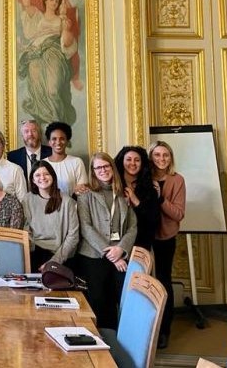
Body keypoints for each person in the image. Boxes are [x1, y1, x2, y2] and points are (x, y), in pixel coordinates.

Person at [76, 152, 137, 330]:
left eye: (106, 166)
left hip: (120, 253)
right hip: (94, 256)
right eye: (98, 168)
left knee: (120, 300)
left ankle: (118, 343)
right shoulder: (85, 194)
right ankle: (101, 344)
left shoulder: (123, 192)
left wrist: (121, 249)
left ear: (112, 167)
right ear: (93, 171)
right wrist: (111, 253)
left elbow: (133, 226)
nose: (103, 170)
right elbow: (86, 227)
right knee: (99, 302)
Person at [17, 0, 78, 127]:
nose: (54, 3)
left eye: (56, 1)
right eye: (52, 0)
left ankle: (59, 127)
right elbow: (26, 5)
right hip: (35, 53)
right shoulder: (38, 16)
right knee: (37, 90)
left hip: (53, 50)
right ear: (45, 1)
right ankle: (48, 126)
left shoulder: (61, 20)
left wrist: (67, 29)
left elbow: (67, 42)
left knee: (53, 90)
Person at [149, 140, 186, 350]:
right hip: (144, 236)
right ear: (151, 157)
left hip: (166, 236)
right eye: (157, 155)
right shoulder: (144, 178)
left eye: (166, 155)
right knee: (142, 282)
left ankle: (164, 331)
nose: (162, 159)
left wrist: (160, 198)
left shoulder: (177, 180)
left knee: (163, 281)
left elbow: (179, 214)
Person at [22, 161, 79, 271]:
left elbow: (73, 236)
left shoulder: (68, 202)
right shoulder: (27, 200)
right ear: (33, 180)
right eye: (38, 175)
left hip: (61, 255)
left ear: (53, 176)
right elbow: (25, 229)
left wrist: (55, 260)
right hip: (35, 253)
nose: (42, 177)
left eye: (46, 174)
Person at [115, 145, 159, 251]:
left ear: (142, 163)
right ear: (121, 162)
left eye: (137, 160)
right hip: (116, 246)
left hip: (141, 245)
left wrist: (136, 201)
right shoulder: (113, 186)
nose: (133, 163)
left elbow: (153, 220)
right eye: (128, 159)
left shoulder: (150, 190)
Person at [44, 122, 88, 197]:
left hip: (72, 206)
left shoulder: (76, 162)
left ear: (67, 141)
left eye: (62, 139)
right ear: (49, 142)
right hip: (47, 207)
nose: (58, 142)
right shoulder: (42, 164)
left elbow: (82, 191)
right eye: (54, 139)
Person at [7, 118, 52, 186]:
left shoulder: (51, 153)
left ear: (39, 134)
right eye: (26, 131)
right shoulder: (12, 157)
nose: (30, 134)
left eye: (34, 131)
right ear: (22, 136)